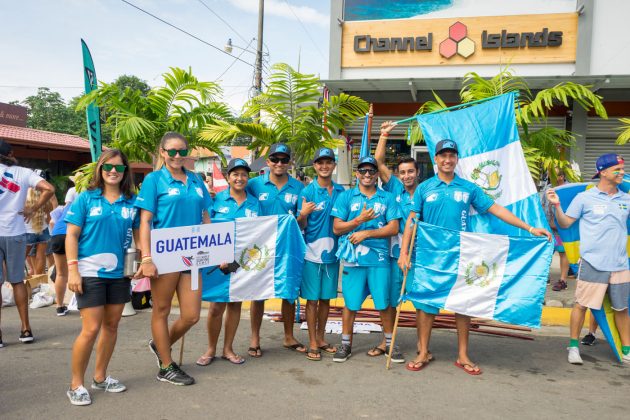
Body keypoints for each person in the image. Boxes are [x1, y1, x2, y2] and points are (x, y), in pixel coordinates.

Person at [398, 140, 551, 374]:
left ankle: (463, 354)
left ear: (456, 159)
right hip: (430, 257)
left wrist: (529, 228)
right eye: (443, 155)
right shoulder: (424, 188)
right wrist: (404, 253)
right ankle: (423, 351)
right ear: (436, 159)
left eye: (452, 155)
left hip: (462, 255)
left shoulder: (468, 188)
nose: (447, 160)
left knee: (463, 305)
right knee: (426, 307)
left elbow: (495, 210)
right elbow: (411, 221)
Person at [134, 132, 212, 385]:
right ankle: (166, 366)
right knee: (162, 309)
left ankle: (160, 344)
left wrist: (212, 247)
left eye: (182, 151)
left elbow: (205, 216)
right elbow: (145, 221)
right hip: (164, 253)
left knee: (191, 315)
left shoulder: (197, 180)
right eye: (172, 151)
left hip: (193, 254)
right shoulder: (154, 180)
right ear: (162, 152)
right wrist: (146, 258)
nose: (177, 156)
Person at [65, 149, 139, 406]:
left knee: (111, 326)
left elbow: (139, 236)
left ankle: (100, 376)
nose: (113, 172)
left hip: (120, 273)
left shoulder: (132, 202)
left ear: (125, 171)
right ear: (100, 169)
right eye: (108, 167)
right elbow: (71, 236)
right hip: (90, 272)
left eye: (118, 168)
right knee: (91, 329)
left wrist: (140, 262)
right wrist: (73, 269)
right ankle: (76, 384)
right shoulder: (86, 199)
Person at [546, 153, 630, 365]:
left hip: (620, 265)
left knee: (621, 309)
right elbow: (565, 224)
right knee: (581, 305)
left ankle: (627, 350)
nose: (622, 172)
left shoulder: (626, 198)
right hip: (592, 263)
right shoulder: (585, 198)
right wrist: (556, 206)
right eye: (617, 169)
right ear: (603, 172)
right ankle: (573, 347)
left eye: (622, 168)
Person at [331, 156, 402, 363]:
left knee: (384, 304)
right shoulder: (346, 197)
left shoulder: (386, 198)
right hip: (353, 260)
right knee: (350, 304)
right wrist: (359, 220)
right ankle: (345, 344)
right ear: (357, 174)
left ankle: (389, 344)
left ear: (377, 174)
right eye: (363, 171)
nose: (368, 175)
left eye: (372, 171)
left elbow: (393, 227)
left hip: (379, 259)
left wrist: (367, 233)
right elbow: (337, 228)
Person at [375, 121, 434, 368]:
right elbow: (378, 162)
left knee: (421, 304)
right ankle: (387, 342)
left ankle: (423, 348)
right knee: (388, 300)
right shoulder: (395, 189)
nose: (407, 176)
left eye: (411, 172)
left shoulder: (428, 192)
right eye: (403, 172)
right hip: (393, 255)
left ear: (417, 173)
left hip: (420, 257)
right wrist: (384, 135)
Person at [196, 158, 260, 367]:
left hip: (242, 263)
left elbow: (259, 235)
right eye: (235, 174)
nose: (239, 178)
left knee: (235, 305)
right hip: (218, 263)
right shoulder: (216, 200)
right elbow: (206, 230)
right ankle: (211, 349)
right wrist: (217, 257)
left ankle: (228, 349)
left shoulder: (255, 203)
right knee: (216, 307)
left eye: (243, 174)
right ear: (228, 176)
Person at [246, 143, 305, 357]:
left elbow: (301, 225)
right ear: (268, 161)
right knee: (257, 293)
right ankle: (254, 338)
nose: (279, 163)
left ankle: (288, 337)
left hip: (288, 248)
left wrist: (303, 215)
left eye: (284, 159)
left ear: (290, 162)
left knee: (288, 293)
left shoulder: (299, 188)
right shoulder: (253, 184)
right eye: (275, 159)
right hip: (259, 248)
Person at [0, 139, 55, 347]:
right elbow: (48, 188)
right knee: (17, 281)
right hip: (15, 232)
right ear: (10, 154)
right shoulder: (23, 172)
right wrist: (33, 209)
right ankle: (25, 329)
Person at [296, 147, 345, 361]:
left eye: (329, 162)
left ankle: (321, 338)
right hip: (311, 254)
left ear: (334, 165)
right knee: (312, 300)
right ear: (315, 166)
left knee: (326, 299)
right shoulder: (307, 192)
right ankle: (313, 342)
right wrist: (302, 215)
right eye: (320, 163)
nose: (324, 166)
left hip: (333, 255)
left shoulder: (343, 192)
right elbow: (299, 225)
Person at [543, 169, 571, 291]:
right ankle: (545, 277)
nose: (551, 176)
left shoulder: (568, 188)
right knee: (546, 252)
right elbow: (542, 205)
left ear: (562, 176)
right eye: (550, 173)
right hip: (547, 228)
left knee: (563, 253)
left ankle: (563, 280)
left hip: (562, 228)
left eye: (555, 174)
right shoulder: (547, 188)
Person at [50, 200, 73, 316]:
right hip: (72, 235)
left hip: (56, 235)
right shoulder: (87, 201)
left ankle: (59, 306)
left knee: (60, 273)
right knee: (82, 270)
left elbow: (52, 222)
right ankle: (84, 307)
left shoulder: (67, 206)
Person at [24, 186, 53, 275]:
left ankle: (18, 280)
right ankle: (38, 282)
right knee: (41, 256)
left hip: (27, 231)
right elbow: (49, 217)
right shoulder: (46, 200)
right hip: (43, 230)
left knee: (21, 258)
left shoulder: (25, 200)